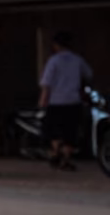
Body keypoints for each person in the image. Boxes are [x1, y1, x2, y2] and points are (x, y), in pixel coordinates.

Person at [39, 31, 93, 172]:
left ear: (56, 45)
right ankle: (66, 159)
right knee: (71, 131)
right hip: (73, 100)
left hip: (55, 101)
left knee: (53, 129)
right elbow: (89, 74)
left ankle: (56, 153)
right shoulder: (77, 60)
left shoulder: (53, 61)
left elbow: (47, 83)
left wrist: (43, 100)